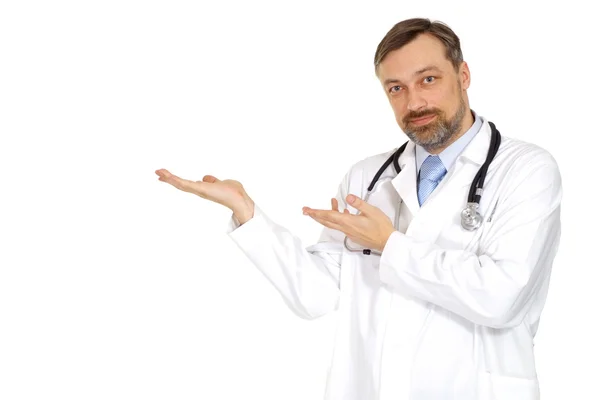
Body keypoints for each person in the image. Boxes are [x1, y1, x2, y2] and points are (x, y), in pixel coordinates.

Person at [155, 18, 561, 400]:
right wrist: (246, 211)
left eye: (429, 79)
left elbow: (502, 297)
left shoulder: (526, 170)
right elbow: (314, 296)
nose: (414, 101)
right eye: (396, 88)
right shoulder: (367, 177)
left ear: (464, 75)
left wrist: (389, 244)